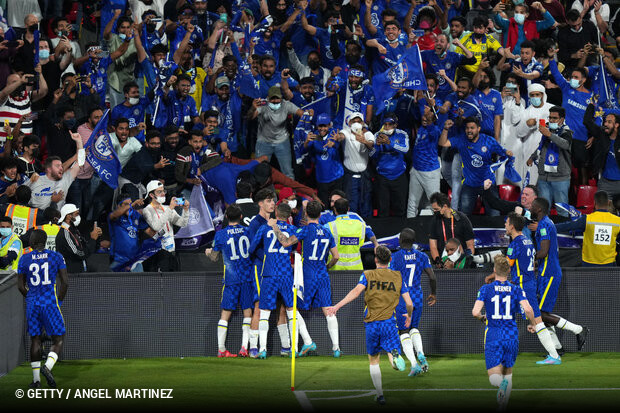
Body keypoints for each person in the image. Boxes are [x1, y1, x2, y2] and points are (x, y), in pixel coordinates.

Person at [327, 246, 413, 406]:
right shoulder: (398, 276)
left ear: (375, 260)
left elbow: (355, 292)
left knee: (373, 360)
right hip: (389, 323)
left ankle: (380, 395)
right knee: (394, 360)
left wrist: (337, 306)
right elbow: (409, 303)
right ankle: (394, 355)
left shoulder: (367, 274)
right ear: (390, 260)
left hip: (372, 324)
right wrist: (408, 315)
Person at [268, 200, 341, 357]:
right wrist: (326, 266)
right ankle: (336, 348)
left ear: (306, 214)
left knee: (293, 308)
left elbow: (285, 242)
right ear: (320, 215)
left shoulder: (305, 230)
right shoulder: (327, 232)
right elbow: (336, 256)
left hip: (308, 276)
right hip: (322, 274)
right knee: (328, 310)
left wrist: (274, 226)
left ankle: (308, 342)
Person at [472, 254, 537, 411]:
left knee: (495, 378)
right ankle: (503, 405)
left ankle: (501, 386)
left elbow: (475, 312)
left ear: (494, 270)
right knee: (508, 372)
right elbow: (528, 309)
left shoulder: (486, 289)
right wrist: (532, 324)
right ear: (509, 271)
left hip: (494, 334)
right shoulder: (516, 289)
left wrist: (482, 318)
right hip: (511, 335)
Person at [499, 211, 566, 360]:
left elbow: (507, 265)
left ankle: (554, 356)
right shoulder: (527, 241)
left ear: (511, 226)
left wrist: (492, 275)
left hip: (523, 287)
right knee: (513, 316)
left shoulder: (515, 244)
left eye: (506, 223)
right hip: (524, 284)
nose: (505, 225)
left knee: (537, 321)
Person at [249, 203, 312, 359]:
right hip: (285, 273)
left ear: (276, 212)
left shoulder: (264, 228)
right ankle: (293, 349)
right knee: (291, 311)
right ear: (289, 215)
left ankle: (262, 349)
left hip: (269, 273)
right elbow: (295, 248)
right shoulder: (292, 230)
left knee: (264, 312)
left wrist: (266, 255)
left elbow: (251, 249)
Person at [530, 197, 589, 357]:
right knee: (542, 313)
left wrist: (528, 258)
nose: (531, 208)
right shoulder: (547, 223)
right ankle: (557, 348)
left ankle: (578, 329)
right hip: (546, 271)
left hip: (549, 273)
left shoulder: (544, 225)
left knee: (540, 314)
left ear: (539, 209)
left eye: (533, 206)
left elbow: (543, 251)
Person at [17, 229, 68, 389]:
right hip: (50, 301)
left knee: (35, 339)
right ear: (45, 242)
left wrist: (31, 297)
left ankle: (36, 380)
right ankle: (48, 367)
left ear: (32, 242)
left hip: (33, 302)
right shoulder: (56, 256)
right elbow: (65, 282)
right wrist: (58, 300)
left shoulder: (24, 259)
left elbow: (20, 286)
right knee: (58, 338)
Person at [205, 204, 256, 358]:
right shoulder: (248, 232)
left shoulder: (220, 235)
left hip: (231, 278)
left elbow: (214, 258)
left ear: (226, 217)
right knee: (248, 312)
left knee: (225, 312)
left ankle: (221, 349)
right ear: (241, 217)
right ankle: (244, 348)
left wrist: (208, 252)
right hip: (247, 277)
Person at [439, 116, 513, 215]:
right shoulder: (461, 140)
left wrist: (508, 152)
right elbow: (443, 143)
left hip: (488, 183)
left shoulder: (488, 141)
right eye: (467, 128)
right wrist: (445, 129)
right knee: (463, 216)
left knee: (494, 215)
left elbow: (503, 151)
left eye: (472, 128)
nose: (469, 130)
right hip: (470, 184)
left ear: (478, 128)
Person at [389, 228, 437, 376]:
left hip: (402, 298)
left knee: (403, 331)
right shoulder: (422, 256)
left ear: (400, 241)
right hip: (417, 296)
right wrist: (433, 293)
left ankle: (414, 364)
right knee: (414, 328)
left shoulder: (395, 257)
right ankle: (421, 354)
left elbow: (391, 278)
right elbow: (432, 276)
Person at [247, 85, 305, 179]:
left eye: (277, 99)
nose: (275, 101)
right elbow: (250, 117)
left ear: (281, 98)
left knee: (288, 172)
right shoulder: (262, 104)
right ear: (268, 98)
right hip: (263, 142)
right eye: (272, 99)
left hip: (282, 141)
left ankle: (291, 193)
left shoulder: (286, 104)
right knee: (259, 170)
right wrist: (253, 108)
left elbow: (301, 113)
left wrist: (308, 114)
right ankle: (261, 193)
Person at [527, 106, 573, 216]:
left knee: (562, 210)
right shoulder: (548, 132)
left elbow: (565, 144)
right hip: (544, 177)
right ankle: (543, 232)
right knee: (541, 210)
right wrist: (532, 157)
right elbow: (541, 147)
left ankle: (563, 232)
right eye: (550, 117)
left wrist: (549, 134)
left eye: (554, 118)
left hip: (560, 178)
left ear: (561, 119)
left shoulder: (567, 132)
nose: (551, 120)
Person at [556, 191, 620, 267]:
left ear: (594, 203)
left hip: (589, 263)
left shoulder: (587, 219)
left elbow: (566, 226)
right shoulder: (617, 221)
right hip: (609, 263)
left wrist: (546, 227)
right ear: (609, 203)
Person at [25, 132, 85, 210]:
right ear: (48, 169)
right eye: (57, 166)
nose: (61, 168)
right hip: (34, 218)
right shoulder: (36, 179)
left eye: (61, 166)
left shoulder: (65, 179)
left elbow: (80, 162)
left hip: (54, 220)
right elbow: (20, 193)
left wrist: (79, 142)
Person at [142, 180, 189, 272]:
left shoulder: (167, 208)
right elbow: (156, 226)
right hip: (157, 254)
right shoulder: (147, 210)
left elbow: (183, 223)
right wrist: (171, 208)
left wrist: (186, 210)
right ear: (151, 195)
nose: (163, 194)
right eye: (159, 192)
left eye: (163, 191)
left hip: (171, 252)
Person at [371, 114, 409, 218]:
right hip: (382, 177)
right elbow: (371, 155)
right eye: (385, 124)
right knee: (382, 210)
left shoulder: (402, 134)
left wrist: (389, 142)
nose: (387, 127)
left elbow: (405, 149)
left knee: (400, 209)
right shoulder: (377, 135)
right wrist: (377, 146)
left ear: (395, 125)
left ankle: (400, 232)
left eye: (390, 124)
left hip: (399, 176)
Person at [408, 105, 442, 218]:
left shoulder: (435, 130)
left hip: (430, 172)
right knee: (412, 203)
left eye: (427, 116)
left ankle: (439, 230)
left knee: (436, 204)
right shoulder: (421, 129)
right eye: (423, 116)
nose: (424, 118)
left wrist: (429, 116)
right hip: (416, 170)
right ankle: (409, 231)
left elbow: (431, 127)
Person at [327, 198, 379, 271]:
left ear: (335, 210)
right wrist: (376, 244)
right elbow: (370, 233)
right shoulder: (360, 225)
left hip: (336, 269)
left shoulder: (329, 226)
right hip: (356, 269)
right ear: (348, 209)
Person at [428, 192, 475, 267]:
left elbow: (470, 244)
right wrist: (438, 261)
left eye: (436, 209)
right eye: (433, 209)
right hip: (443, 262)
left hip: (461, 263)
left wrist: (465, 261)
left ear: (445, 206)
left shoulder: (462, 219)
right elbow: (433, 245)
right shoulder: (435, 220)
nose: (434, 212)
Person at [585, 102, 620, 198]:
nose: (605, 124)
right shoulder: (601, 135)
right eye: (605, 121)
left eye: (609, 122)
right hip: (605, 184)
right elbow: (587, 122)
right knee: (602, 211)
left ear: (616, 125)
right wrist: (591, 106)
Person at [55, 204, 101, 273]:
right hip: (71, 275)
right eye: (76, 214)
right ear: (68, 216)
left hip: (80, 271)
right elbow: (80, 254)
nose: (78, 216)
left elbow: (88, 249)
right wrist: (92, 239)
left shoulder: (74, 230)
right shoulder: (65, 234)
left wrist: (97, 237)